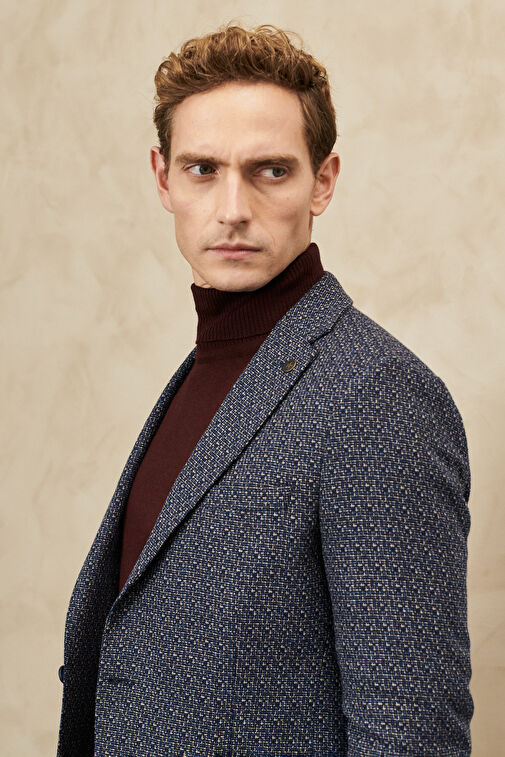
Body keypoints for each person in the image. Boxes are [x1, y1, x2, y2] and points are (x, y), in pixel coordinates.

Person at [56, 22, 474, 757]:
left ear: (323, 181)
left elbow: (409, 731)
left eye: (270, 171)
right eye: (202, 169)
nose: (232, 209)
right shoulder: (204, 373)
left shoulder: (378, 396)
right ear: (162, 178)